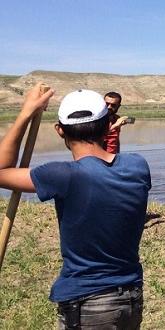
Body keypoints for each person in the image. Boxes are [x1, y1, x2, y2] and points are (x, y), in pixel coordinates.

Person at [0, 84, 151, 329]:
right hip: (130, 298)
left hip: (88, 303)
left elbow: (1, 171)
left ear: (60, 131)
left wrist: (25, 113)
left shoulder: (61, 175)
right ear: (106, 126)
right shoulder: (138, 166)